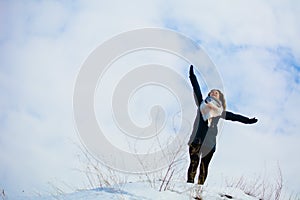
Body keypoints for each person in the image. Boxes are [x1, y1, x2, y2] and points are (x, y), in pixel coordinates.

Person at [187, 65, 258, 185]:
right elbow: (197, 88)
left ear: (219, 98)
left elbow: (235, 117)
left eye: (217, 93)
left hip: (210, 143)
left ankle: (199, 189)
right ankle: (188, 186)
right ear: (209, 95)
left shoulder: (219, 112)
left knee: (204, 167)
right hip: (197, 139)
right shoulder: (202, 104)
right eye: (212, 92)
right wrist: (192, 76)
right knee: (194, 163)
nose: (214, 93)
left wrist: (248, 120)